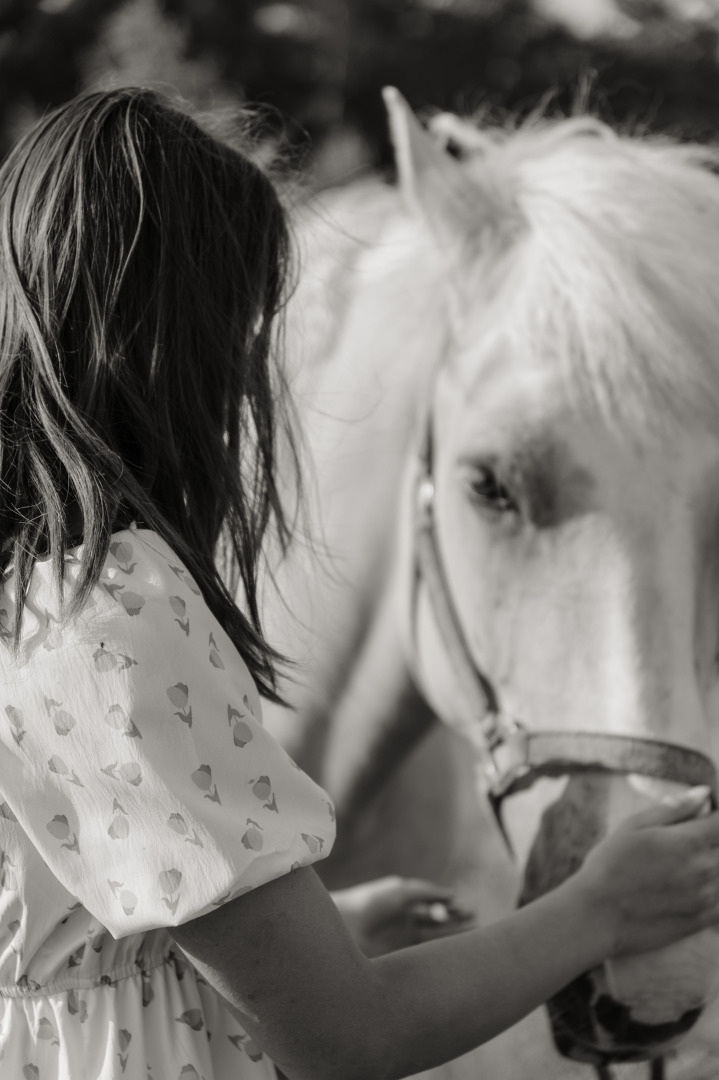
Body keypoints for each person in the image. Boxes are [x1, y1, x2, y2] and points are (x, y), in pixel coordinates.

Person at [0, 87, 718, 1080]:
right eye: (245, 335)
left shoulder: (39, 593)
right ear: (174, 351)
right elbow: (345, 1041)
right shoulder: (127, 616)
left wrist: (312, 934)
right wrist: (597, 908)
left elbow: (68, 934)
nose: (255, 388)